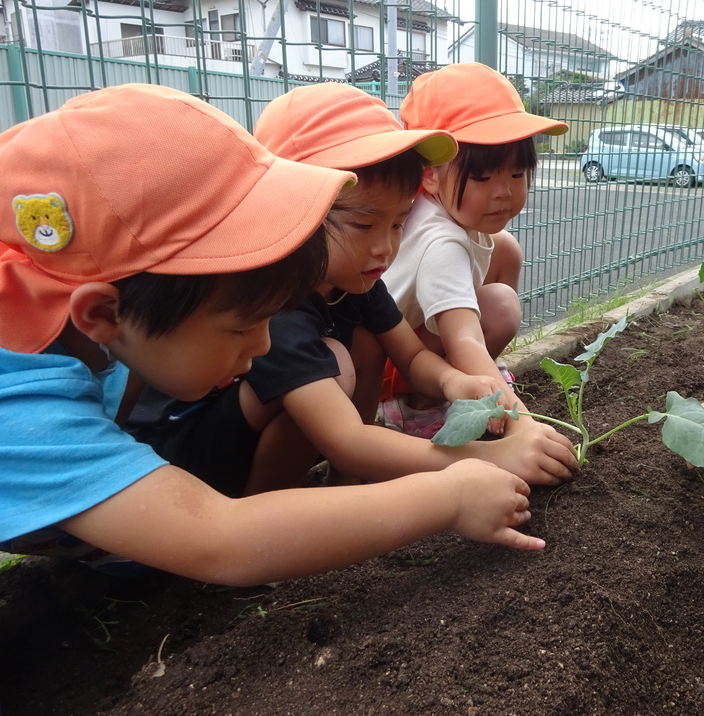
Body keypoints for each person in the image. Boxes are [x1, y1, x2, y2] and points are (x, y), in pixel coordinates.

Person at [0, 83, 546, 586]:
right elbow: (222, 539)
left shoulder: (94, 322)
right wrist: (451, 492)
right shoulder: (19, 412)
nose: (264, 345)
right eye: (243, 324)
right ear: (101, 314)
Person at [127, 83, 576, 490]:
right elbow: (348, 440)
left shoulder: (356, 280)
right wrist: (490, 456)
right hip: (188, 464)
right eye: (364, 224)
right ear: (294, 210)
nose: (386, 247)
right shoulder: (274, 309)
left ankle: (336, 487)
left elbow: (414, 356)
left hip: (261, 434)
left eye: (400, 222)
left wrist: (454, 382)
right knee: (336, 362)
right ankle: (264, 506)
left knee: (356, 349)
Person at [379, 62, 569, 444]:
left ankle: (480, 378)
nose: (503, 192)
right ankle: (419, 409)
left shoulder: (439, 208)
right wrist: (524, 427)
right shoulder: (440, 243)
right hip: (393, 370)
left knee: (505, 248)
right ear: (429, 173)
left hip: (406, 345)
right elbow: (462, 338)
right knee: (500, 306)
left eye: (516, 174)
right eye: (483, 177)